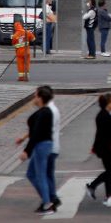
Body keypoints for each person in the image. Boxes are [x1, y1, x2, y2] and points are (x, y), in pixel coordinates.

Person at [16, 86, 56, 215]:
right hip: (42, 145)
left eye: (35, 95)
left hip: (41, 146)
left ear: (40, 98)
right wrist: (23, 138)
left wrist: (26, 151)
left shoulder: (45, 112)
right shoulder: (43, 112)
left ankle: (47, 204)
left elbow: (37, 133)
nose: (34, 97)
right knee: (31, 174)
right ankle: (48, 200)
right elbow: (35, 130)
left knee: (40, 176)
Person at [86, 93, 111, 202]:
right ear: (108, 104)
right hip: (106, 149)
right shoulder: (104, 116)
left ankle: (108, 195)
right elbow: (108, 134)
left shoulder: (104, 114)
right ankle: (93, 186)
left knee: (110, 171)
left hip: (105, 148)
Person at [42, 85, 61, 209]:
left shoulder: (49, 111)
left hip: (48, 146)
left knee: (43, 174)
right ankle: (53, 196)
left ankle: (51, 199)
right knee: (49, 174)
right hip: (53, 146)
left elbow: (43, 130)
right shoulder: (52, 109)